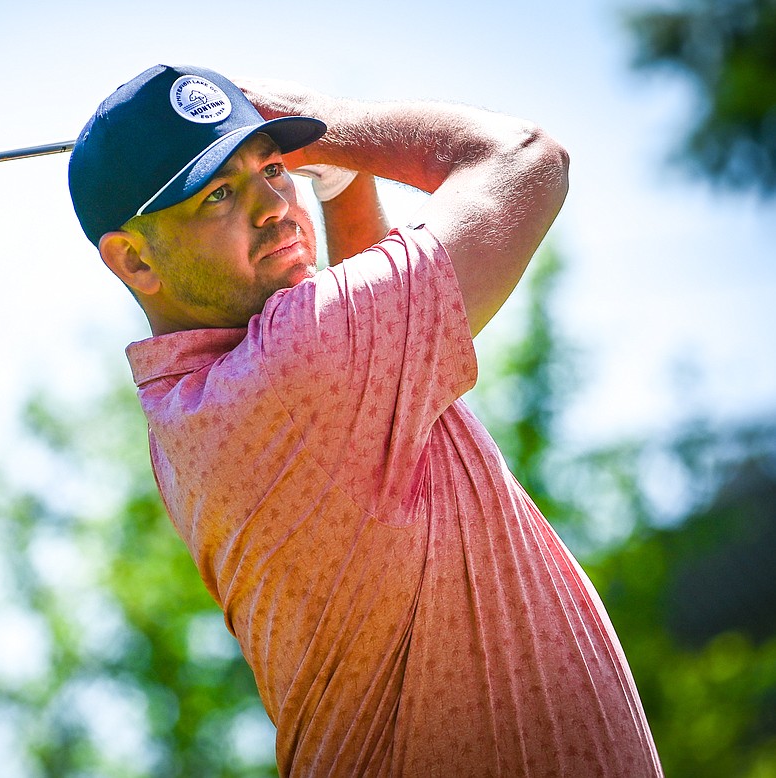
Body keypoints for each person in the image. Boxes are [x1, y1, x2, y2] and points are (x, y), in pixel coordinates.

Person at [68, 64, 663, 777]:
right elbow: (529, 159)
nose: (273, 207)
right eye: (219, 193)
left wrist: (344, 187)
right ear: (134, 260)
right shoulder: (291, 368)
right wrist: (335, 123)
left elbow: (371, 380)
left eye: (275, 169)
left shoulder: (196, 407)